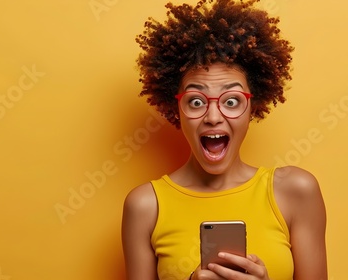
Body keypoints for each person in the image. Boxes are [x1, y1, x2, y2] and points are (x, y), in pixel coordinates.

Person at [121, 0, 328, 279]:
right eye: (196, 101)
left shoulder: (296, 191)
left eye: (231, 101)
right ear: (176, 109)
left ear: (252, 108)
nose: (213, 116)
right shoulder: (145, 205)